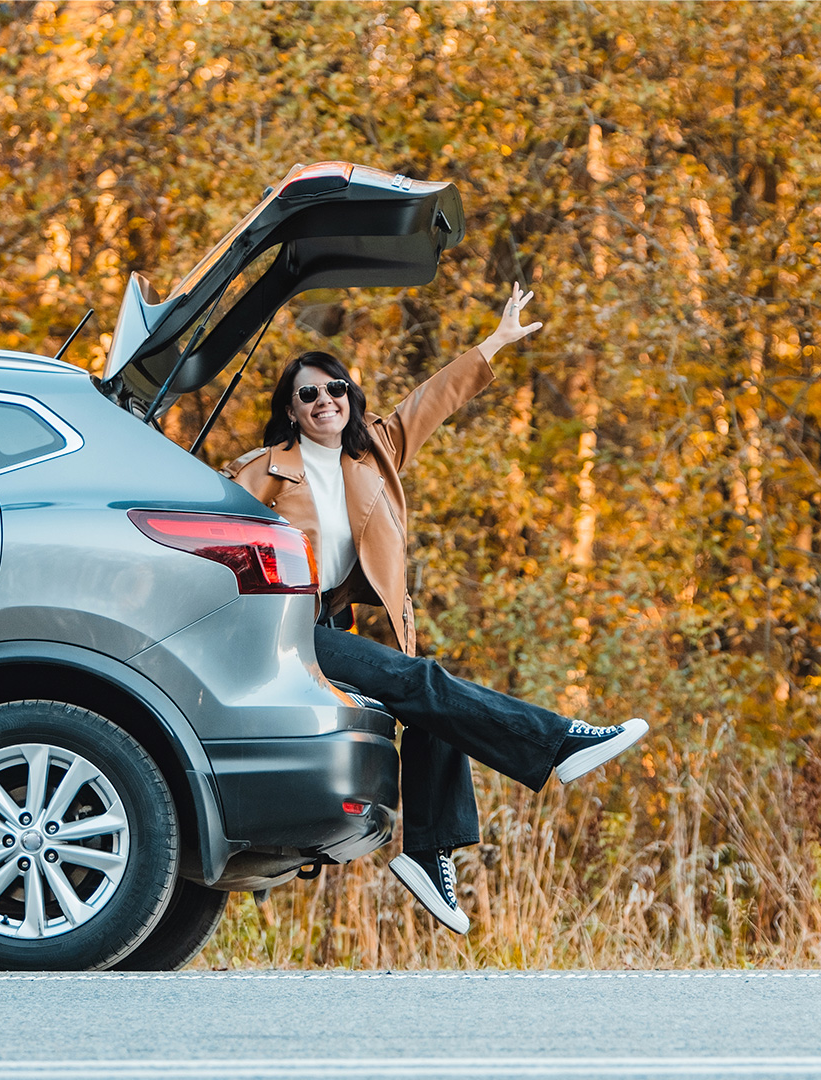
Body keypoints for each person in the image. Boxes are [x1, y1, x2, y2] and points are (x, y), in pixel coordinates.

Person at [223, 283, 647, 934]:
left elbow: (435, 398)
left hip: (330, 628)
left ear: (348, 396)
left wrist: (495, 343)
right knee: (423, 682)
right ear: (290, 409)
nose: (324, 401)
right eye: (308, 394)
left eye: (334, 388)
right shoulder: (258, 473)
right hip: (281, 632)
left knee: (427, 698)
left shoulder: (375, 453)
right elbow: (213, 538)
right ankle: (558, 743)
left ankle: (426, 853)